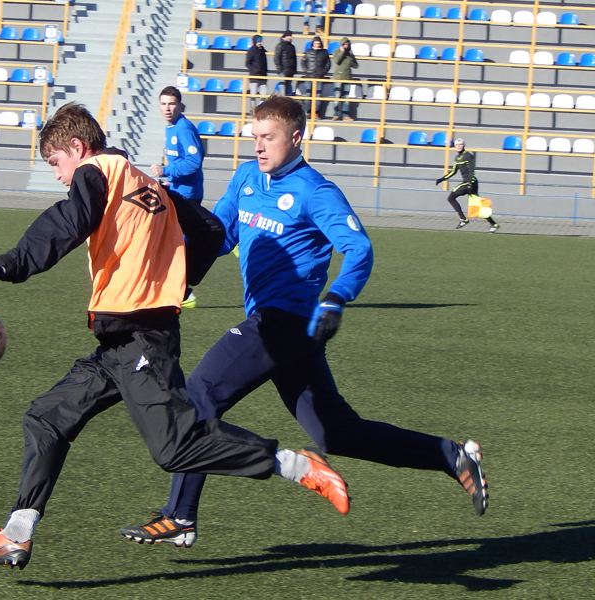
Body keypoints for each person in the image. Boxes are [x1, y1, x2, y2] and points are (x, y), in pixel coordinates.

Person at [0, 102, 351, 570]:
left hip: (143, 340)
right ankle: (16, 534)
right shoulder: (144, 180)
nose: (59, 176)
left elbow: (67, 221)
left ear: (77, 148)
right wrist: (176, 283)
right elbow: (210, 229)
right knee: (46, 418)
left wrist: (8, 264)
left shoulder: (97, 173)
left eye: (56, 163)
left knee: (174, 447)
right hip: (119, 342)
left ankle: (297, 465)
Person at [120, 95, 489, 548]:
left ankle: (181, 515)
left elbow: (359, 249)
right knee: (337, 432)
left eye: (268, 137)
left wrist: (336, 298)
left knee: (199, 395)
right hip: (285, 329)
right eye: (255, 137)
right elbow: (220, 236)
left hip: (285, 322)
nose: (259, 146)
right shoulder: (246, 177)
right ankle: (452, 455)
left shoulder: (316, 191)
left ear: (296, 138)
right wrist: (170, 270)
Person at [150, 86, 205, 308]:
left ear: (180, 105)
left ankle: (183, 291)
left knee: (173, 241)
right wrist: (170, 181)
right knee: (171, 240)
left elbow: (194, 161)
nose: (167, 108)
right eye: (163, 103)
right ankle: (180, 290)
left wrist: (167, 171)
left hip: (187, 194)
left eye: (172, 103)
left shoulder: (183, 128)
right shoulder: (171, 128)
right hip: (178, 189)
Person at [436, 138, 500, 233]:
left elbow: (471, 170)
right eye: (457, 145)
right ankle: (494, 224)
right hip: (467, 182)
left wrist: (469, 183)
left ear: (463, 145)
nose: (458, 146)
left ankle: (463, 219)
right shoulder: (457, 158)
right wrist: (442, 179)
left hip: (470, 182)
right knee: (477, 206)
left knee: (451, 197)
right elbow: (453, 171)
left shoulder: (468, 156)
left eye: (460, 144)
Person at [300, 37, 330, 119]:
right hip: (309, 76)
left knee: (318, 95)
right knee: (308, 94)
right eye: (316, 43)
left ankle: (316, 112)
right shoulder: (308, 52)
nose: (317, 45)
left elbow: (328, 63)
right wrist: (306, 71)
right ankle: (308, 112)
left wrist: (323, 72)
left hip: (319, 77)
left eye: (318, 43)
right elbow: (303, 62)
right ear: (313, 43)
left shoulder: (324, 52)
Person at [331, 37, 357, 121]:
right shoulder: (336, 52)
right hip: (337, 77)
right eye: (345, 44)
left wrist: (351, 57)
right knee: (337, 96)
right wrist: (342, 52)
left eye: (347, 44)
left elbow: (355, 66)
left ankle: (345, 115)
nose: (346, 46)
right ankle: (336, 114)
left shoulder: (350, 54)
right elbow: (336, 61)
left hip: (347, 77)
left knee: (346, 97)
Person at [245, 34, 268, 108]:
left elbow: (265, 63)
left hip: (262, 76)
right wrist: (255, 70)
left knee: (264, 94)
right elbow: (247, 63)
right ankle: (253, 109)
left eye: (261, 41)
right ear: (255, 42)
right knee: (253, 94)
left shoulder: (262, 51)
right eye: (259, 41)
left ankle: (261, 108)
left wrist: (265, 73)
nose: (260, 43)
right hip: (254, 76)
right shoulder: (251, 51)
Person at [274, 30, 297, 96]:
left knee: (288, 88)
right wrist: (280, 70)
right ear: (285, 36)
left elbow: (294, 59)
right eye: (289, 36)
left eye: (291, 36)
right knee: (282, 88)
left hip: (290, 71)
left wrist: (294, 70)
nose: (290, 37)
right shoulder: (280, 46)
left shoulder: (292, 47)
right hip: (283, 71)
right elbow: (277, 58)